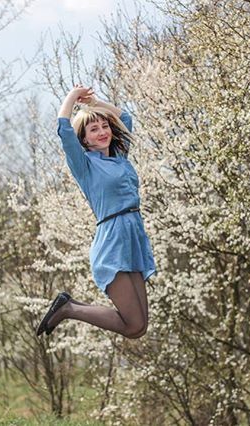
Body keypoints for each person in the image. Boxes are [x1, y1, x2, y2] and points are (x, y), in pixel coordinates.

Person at [35, 84, 156, 339]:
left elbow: (125, 118)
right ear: (84, 140)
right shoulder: (85, 165)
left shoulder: (120, 157)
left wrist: (94, 103)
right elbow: (64, 129)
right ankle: (68, 308)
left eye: (104, 127)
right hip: (112, 241)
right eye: (94, 129)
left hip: (133, 238)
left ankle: (69, 306)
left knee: (140, 327)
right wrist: (72, 98)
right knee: (133, 326)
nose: (102, 132)